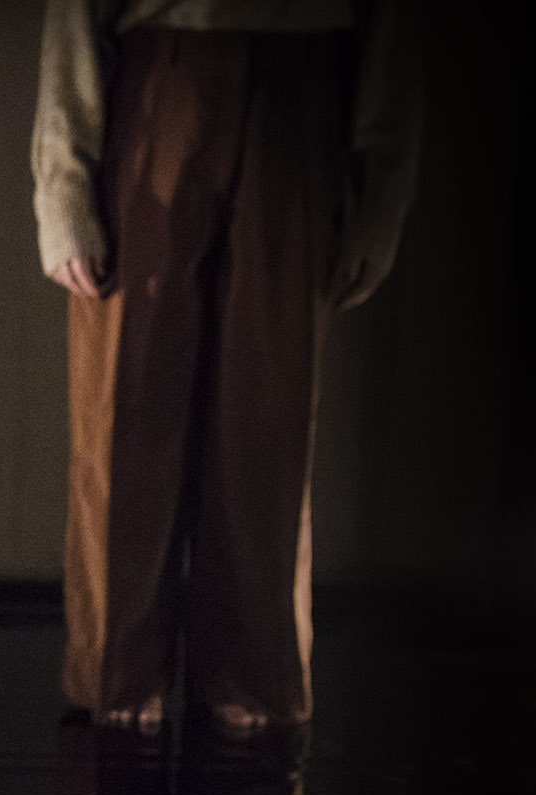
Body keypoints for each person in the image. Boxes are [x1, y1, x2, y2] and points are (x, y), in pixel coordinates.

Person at [31, 0, 419, 736]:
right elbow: (73, 17)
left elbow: (394, 34)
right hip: (156, 78)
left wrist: (381, 202)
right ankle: (120, 670)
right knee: (128, 400)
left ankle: (253, 671)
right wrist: (63, 193)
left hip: (303, 90)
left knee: (267, 411)